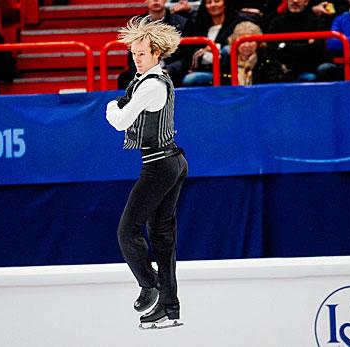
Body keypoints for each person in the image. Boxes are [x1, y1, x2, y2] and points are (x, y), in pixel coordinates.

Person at [106, 17, 188, 328]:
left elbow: (121, 121)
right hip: (171, 161)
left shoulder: (152, 85)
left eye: (142, 54)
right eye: (134, 54)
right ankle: (170, 306)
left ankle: (150, 285)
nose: (136, 59)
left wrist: (111, 106)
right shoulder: (154, 81)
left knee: (127, 230)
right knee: (162, 237)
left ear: (156, 54)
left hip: (160, 167)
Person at [117, 0, 186, 89]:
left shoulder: (182, 23)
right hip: (144, 71)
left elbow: (186, 58)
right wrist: (147, 70)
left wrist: (168, 70)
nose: (156, 0)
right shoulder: (136, 25)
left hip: (172, 72)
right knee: (124, 78)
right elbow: (132, 58)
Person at [266, 0, 325, 82]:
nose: (295, 1)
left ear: (306, 2)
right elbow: (271, 48)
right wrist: (304, 46)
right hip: (282, 71)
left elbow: (316, 50)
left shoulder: (316, 22)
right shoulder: (276, 22)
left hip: (308, 70)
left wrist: (284, 45)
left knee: (310, 78)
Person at [181, 0, 234, 86]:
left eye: (217, 1)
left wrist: (214, 47)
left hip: (224, 70)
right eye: (209, 2)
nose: (213, 5)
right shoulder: (200, 26)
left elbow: (229, 47)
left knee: (190, 79)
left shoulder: (234, 25)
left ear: (224, 4)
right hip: (203, 68)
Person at [220, 21, 286, 85]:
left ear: (258, 43)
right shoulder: (227, 62)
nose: (246, 45)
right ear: (234, 42)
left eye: (250, 41)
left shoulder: (267, 62)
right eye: (242, 41)